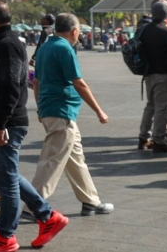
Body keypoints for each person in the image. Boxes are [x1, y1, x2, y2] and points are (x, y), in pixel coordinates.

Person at [0, 0, 67, 252]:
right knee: (9, 176)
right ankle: (48, 217)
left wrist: (0, 124)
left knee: (7, 183)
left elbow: (13, 85)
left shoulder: (8, 45)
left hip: (6, 123)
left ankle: (5, 236)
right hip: (0, 121)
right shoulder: (0, 43)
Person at [31, 13, 114, 216]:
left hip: (50, 109)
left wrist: (40, 107)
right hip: (62, 110)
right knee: (52, 159)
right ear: (74, 31)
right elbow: (78, 82)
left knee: (75, 158)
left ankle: (90, 200)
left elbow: (36, 81)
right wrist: (99, 111)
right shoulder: (65, 48)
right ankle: (33, 205)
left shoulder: (44, 48)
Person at [137, 0, 167, 152]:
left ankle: (143, 137)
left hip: (148, 73)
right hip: (164, 73)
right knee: (162, 108)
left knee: (150, 106)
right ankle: (159, 140)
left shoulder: (144, 30)